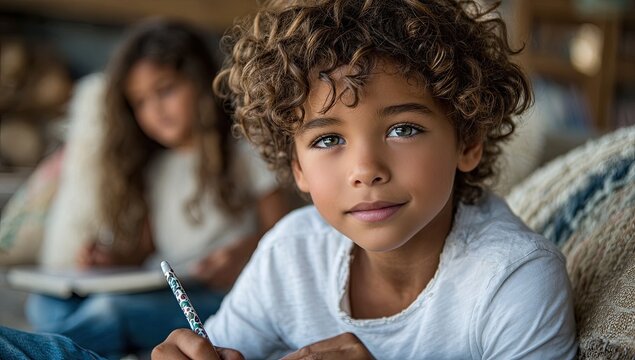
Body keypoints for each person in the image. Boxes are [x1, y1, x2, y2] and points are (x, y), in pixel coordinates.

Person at [0, 0, 576, 359]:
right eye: (328, 140)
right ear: (297, 166)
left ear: (468, 141)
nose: (365, 168)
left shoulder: (513, 281)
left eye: (402, 129)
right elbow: (223, 345)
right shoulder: (292, 254)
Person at [22, 18, 289, 359]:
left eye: (165, 90)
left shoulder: (243, 150)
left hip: (217, 295)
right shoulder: (155, 168)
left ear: (199, 81)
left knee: (111, 312)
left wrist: (242, 254)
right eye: (140, 102)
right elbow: (147, 248)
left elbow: (279, 230)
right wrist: (111, 260)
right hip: (163, 288)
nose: (155, 111)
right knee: (46, 302)